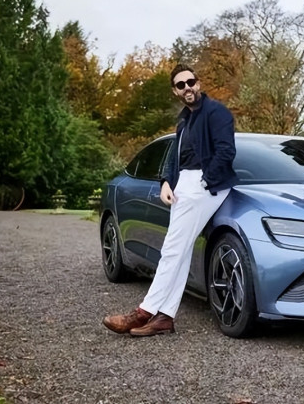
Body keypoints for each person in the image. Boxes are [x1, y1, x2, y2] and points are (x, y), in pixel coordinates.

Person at [102, 63, 238, 337]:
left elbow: (226, 151)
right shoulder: (183, 121)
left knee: (172, 249)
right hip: (182, 186)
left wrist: (204, 181)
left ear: (198, 83)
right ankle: (165, 317)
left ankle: (143, 312)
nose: (188, 87)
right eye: (181, 85)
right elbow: (175, 159)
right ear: (175, 91)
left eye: (191, 82)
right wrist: (166, 181)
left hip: (204, 185)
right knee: (181, 251)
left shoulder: (216, 112)